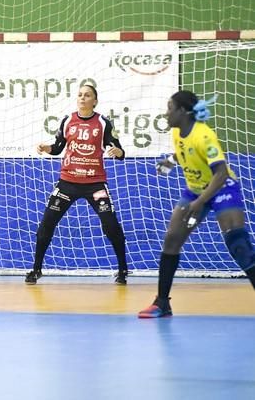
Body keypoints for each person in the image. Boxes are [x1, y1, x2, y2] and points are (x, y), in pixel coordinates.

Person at [138, 91, 255, 318]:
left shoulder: (204, 136)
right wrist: (170, 161)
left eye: (170, 107)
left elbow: (220, 173)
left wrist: (200, 202)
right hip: (195, 191)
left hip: (222, 188)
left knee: (238, 243)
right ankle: (162, 303)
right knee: (172, 240)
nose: (166, 112)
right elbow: (184, 151)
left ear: (182, 111)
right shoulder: (178, 131)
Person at [24, 84, 129, 285]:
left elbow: (120, 151)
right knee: (47, 223)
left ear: (94, 101)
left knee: (110, 225)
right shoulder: (67, 121)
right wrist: (47, 147)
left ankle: (123, 270)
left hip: (95, 184)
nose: (82, 98)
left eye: (87, 95)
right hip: (67, 183)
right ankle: (36, 269)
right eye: (80, 95)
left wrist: (118, 152)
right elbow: (57, 148)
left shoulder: (103, 123)